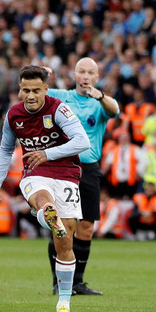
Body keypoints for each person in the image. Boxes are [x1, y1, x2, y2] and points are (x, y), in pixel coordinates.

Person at [0, 65, 90, 312]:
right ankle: (47, 213)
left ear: (46, 88)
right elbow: (4, 150)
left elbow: (82, 142)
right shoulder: (13, 115)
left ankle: (63, 304)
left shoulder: (59, 109)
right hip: (34, 173)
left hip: (66, 175)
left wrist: (47, 153)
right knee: (43, 199)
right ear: (19, 90)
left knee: (65, 241)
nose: (30, 96)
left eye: (36, 90)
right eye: (25, 90)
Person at [45, 58, 120, 296]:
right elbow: (27, 94)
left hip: (88, 168)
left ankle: (77, 282)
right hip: (64, 166)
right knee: (62, 225)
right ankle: (59, 282)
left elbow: (114, 110)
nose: (85, 76)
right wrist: (41, 75)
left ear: (97, 78)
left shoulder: (100, 103)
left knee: (86, 227)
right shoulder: (60, 96)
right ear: (74, 74)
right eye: (82, 72)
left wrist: (99, 96)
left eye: (90, 73)